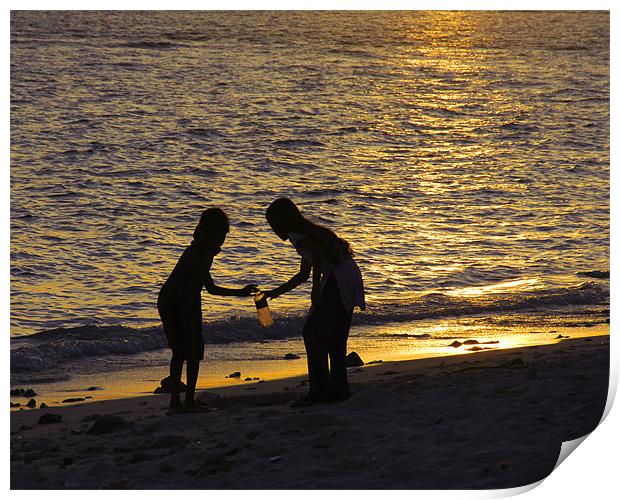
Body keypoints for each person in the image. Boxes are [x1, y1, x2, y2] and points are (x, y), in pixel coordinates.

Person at [263, 198, 365, 406]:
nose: (273, 230)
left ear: (282, 222)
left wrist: (316, 288)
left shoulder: (298, 236)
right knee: (335, 337)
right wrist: (275, 292)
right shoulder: (310, 233)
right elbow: (303, 274)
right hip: (349, 276)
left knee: (312, 333)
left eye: (273, 225)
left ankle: (318, 391)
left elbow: (317, 257)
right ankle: (339, 389)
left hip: (337, 280)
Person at [157, 208, 258, 414]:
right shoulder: (199, 251)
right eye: (221, 236)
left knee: (191, 350)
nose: (222, 242)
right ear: (213, 234)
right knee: (185, 352)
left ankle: (185, 400)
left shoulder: (202, 248)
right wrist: (241, 292)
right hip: (176, 302)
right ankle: (181, 402)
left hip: (184, 300)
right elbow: (211, 288)